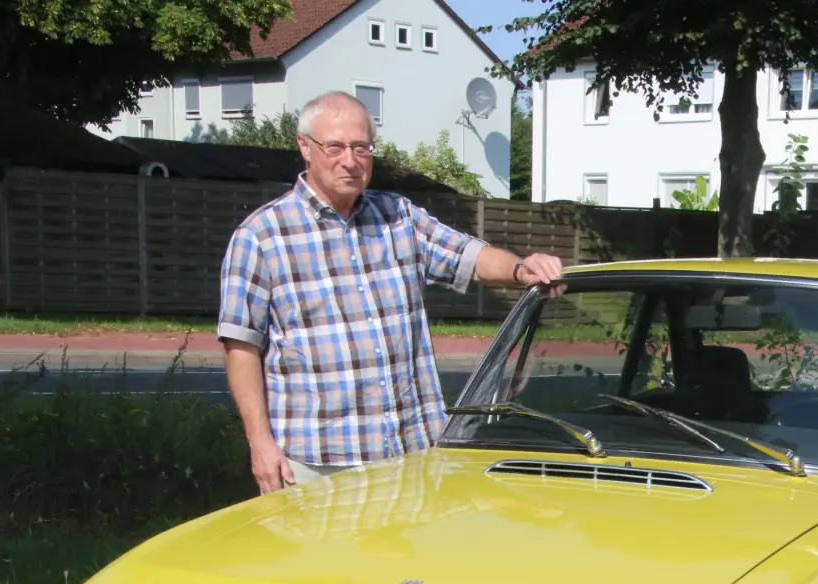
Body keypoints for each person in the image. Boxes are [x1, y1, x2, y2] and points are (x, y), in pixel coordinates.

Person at [218, 91, 564, 494]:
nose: (350, 161)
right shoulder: (261, 237)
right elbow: (241, 347)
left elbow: (469, 257)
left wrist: (521, 270)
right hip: (318, 464)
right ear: (305, 147)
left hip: (411, 452)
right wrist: (260, 444)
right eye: (335, 147)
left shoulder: (399, 217)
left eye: (361, 148)